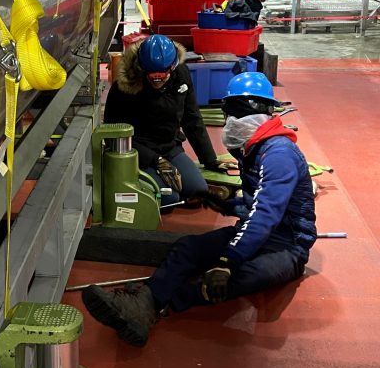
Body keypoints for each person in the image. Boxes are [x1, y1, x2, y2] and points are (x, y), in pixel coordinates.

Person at [83, 72, 317, 346]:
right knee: (187, 248)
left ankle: (158, 305)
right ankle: (146, 302)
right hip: (256, 234)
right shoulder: (253, 149)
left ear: (260, 112)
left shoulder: (278, 155)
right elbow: (254, 204)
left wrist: (228, 262)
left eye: (236, 113)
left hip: (286, 247)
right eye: (228, 113)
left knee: (238, 277)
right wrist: (224, 204)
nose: (230, 121)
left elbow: (265, 215)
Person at [104, 34, 224, 207]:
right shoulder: (123, 89)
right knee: (169, 198)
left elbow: (192, 118)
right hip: (138, 151)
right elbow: (113, 134)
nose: (157, 81)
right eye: (152, 76)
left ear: (173, 66)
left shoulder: (181, 75)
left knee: (197, 190)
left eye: (163, 75)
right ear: (141, 67)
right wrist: (154, 160)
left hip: (169, 146)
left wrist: (210, 159)